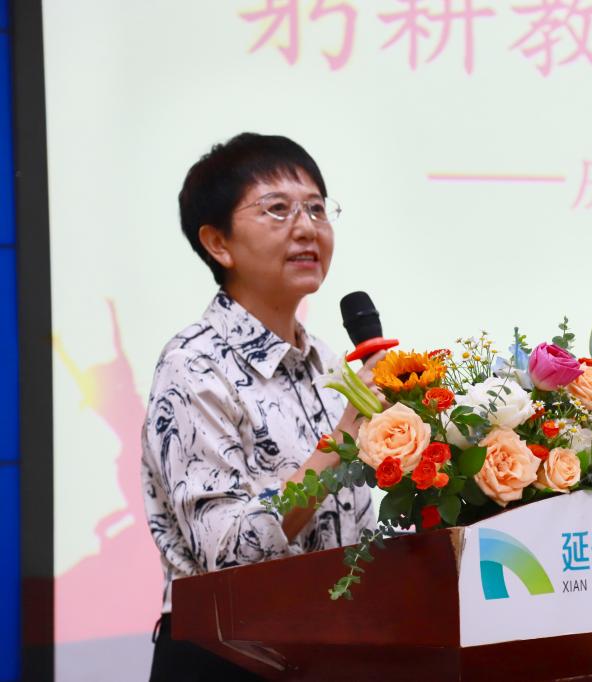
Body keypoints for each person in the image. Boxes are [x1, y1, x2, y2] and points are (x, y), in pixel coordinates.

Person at [141, 133, 380, 681]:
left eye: (316, 208)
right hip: (228, 657)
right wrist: (343, 441)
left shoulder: (329, 364)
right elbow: (229, 552)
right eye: (277, 209)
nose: (307, 227)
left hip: (331, 652)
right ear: (218, 243)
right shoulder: (193, 365)